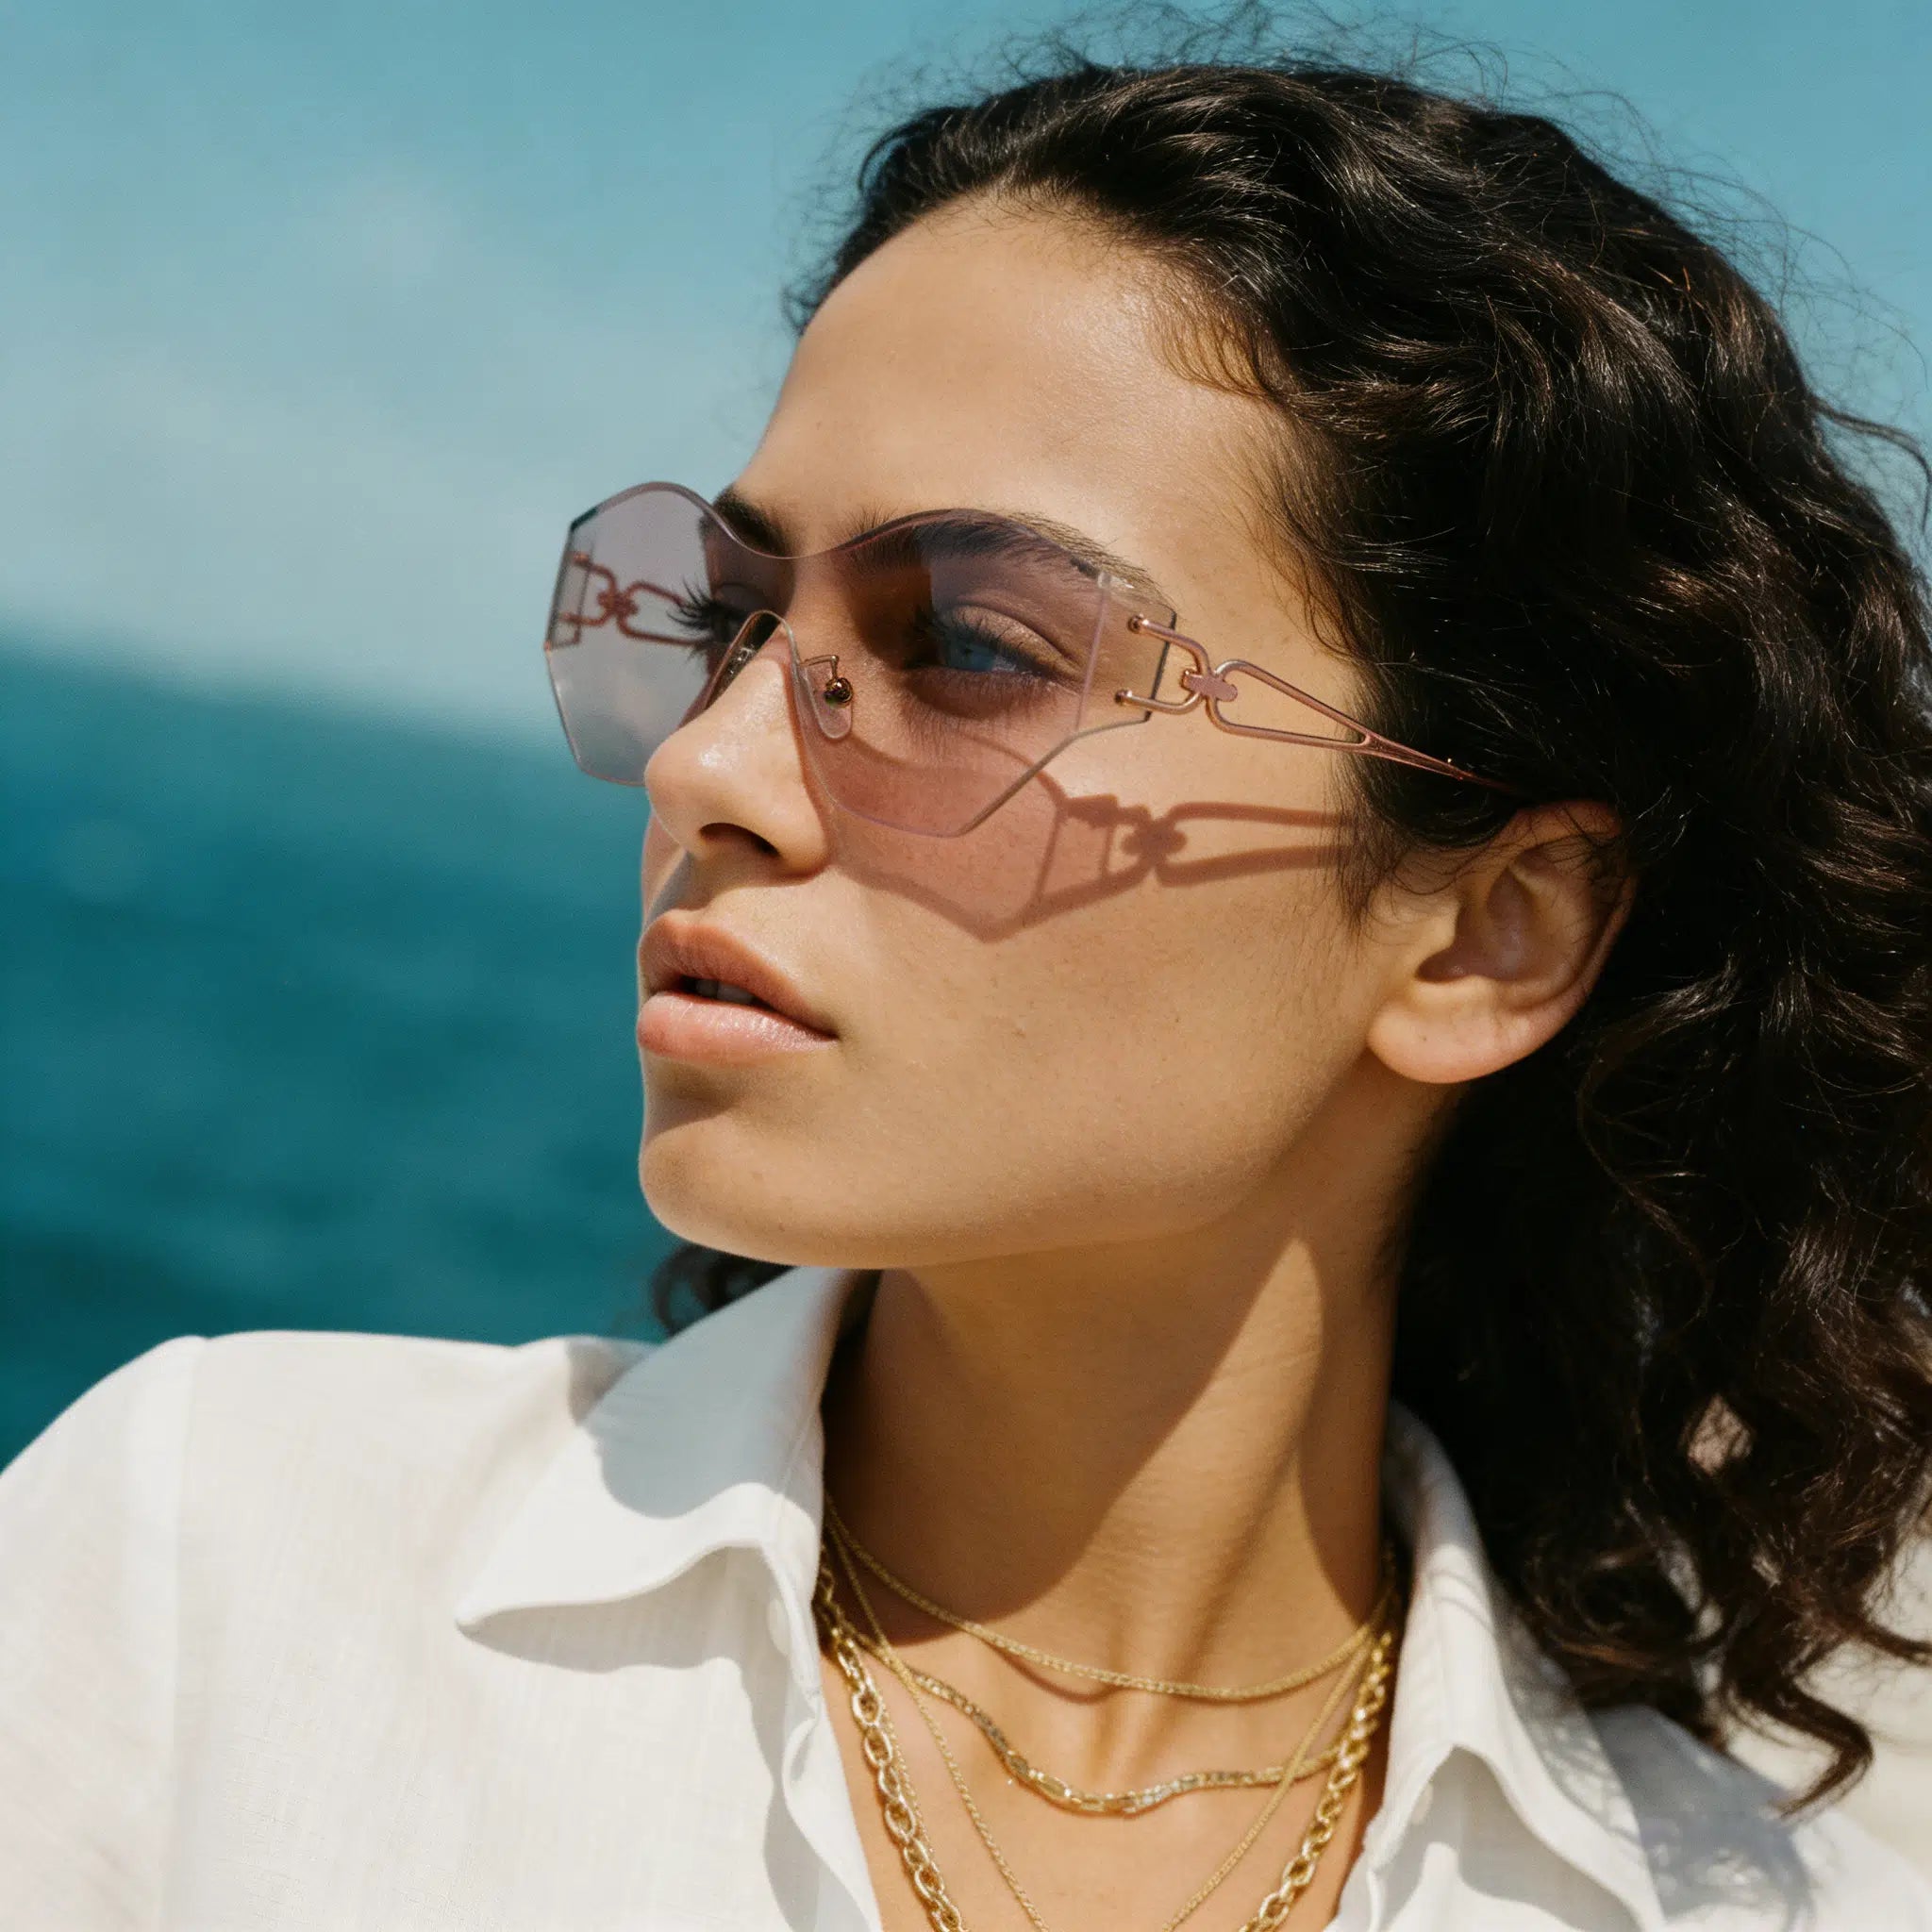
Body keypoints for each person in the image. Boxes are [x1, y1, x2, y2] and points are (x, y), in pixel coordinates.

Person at [5, 33, 1932, 1932]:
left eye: (973, 650)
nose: (706, 767)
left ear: (1486, 932)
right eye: (726, 618)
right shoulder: (219, 1584)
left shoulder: (1745, 1911)